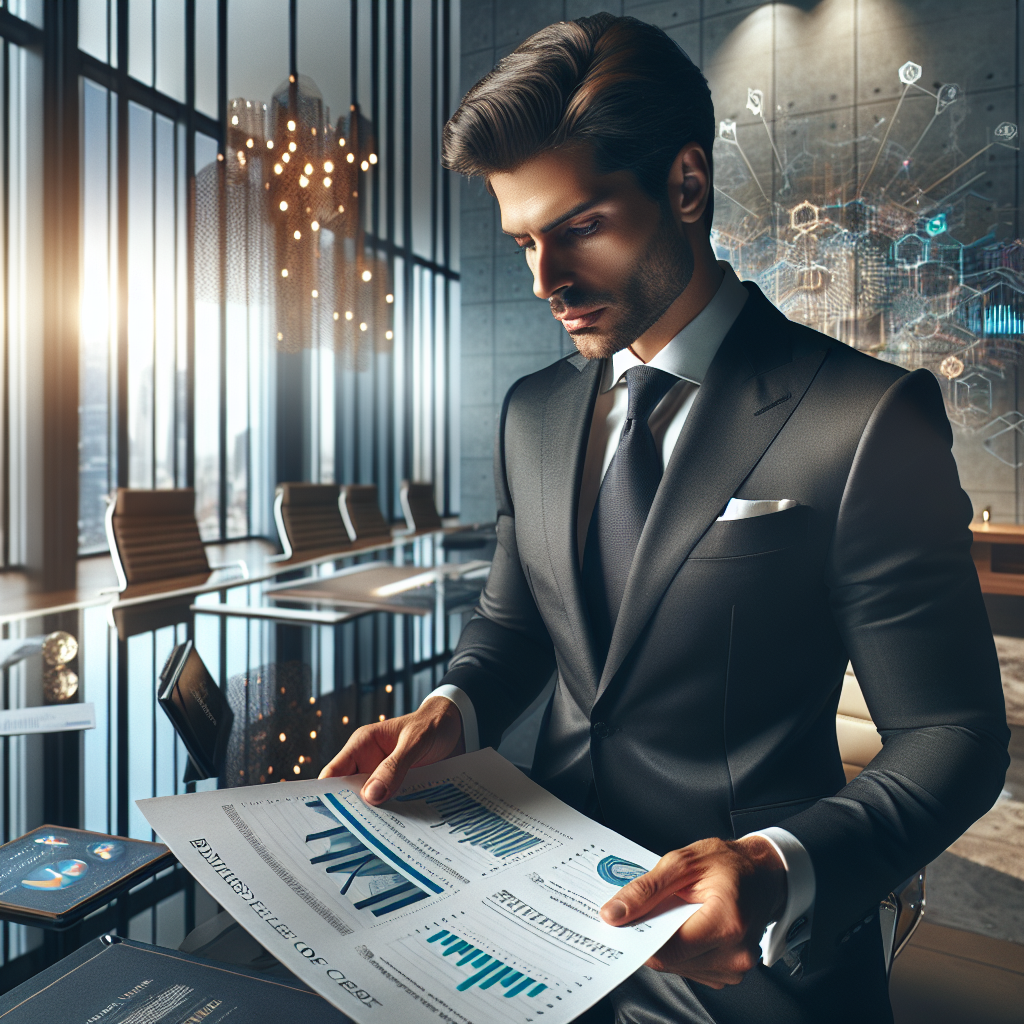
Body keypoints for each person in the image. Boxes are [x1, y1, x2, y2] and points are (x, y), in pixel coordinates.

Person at [320, 13, 1009, 1023]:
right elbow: (514, 628)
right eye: (523, 241)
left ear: (686, 186)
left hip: (752, 959)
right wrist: (455, 710)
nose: (545, 280)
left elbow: (953, 733)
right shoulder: (534, 413)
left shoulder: (863, 418)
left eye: (579, 226)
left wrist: (777, 869)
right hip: (533, 914)